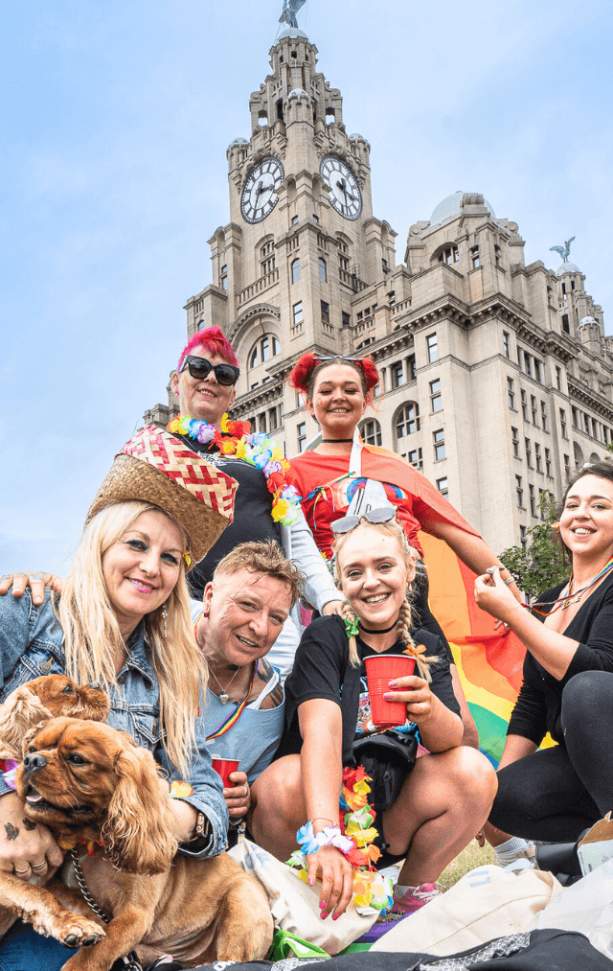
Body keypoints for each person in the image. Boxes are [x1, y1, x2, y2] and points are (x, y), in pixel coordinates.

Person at [0, 424, 237, 970]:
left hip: (74, 899)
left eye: (171, 557)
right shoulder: (29, 611)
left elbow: (206, 793)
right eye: (136, 544)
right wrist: (9, 803)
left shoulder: (172, 673)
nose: (151, 567)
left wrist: (159, 817)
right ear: (101, 544)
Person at [250, 511, 496, 922]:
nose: (371, 582)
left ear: (408, 570)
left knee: (473, 771)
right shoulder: (325, 637)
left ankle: (410, 895)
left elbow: (450, 740)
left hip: (388, 811)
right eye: (355, 572)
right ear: (341, 583)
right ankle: (307, 896)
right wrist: (324, 833)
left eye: (384, 566)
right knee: (280, 781)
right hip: (314, 814)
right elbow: (322, 734)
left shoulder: (423, 643)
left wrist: (429, 709)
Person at [286, 352, 522, 746]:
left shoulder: (397, 467)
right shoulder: (292, 473)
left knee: (459, 736)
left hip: (413, 612)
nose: (338, 397)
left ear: (367, 400)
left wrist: (510, 591)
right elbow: (290, 546)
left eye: (350, 389)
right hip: (343, 616)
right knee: (352, 732)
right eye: (326, 390)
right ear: (309, 403)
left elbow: (456, 530)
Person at [168, 327, 343, 674]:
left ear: (232, 394)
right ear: (177, 382)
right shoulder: (159, 449)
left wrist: (330, 597)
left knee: (289, 701)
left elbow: (295, 533)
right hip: (188, 610)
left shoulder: (260, 456)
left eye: (224, 374)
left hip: (270, 620)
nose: (210, 379)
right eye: (199, 368)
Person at [474, 461, 613, 847]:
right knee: (500, 798)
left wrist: (513, 615)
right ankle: (594, 850)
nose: (582, 513)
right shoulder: (551, 600)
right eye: (573, 505)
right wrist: (490, 789)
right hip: (586, 763)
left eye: (600, 506)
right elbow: (534, 700)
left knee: (586, 689)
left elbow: (600, 669)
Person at [194, 539, 302, 824]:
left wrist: (244, 797)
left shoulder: (268, 701)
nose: (260, 628)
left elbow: (253, 790)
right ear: (209, 597)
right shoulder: (159, 642)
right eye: (247, 605)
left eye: (276, 618)